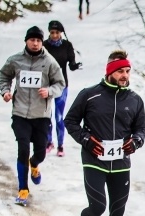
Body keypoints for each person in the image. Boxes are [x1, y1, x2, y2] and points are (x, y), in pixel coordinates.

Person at [65, 50, 145, 216]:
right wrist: (86, 140)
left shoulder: (134, 100)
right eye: (120, 71)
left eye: (127, 71)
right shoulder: (89, 95)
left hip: (121, 163)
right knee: (99, 205)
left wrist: (136, 141)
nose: (125, 75)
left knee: (118, 209)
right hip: (94, 159)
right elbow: (70, 121)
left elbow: (141, 129)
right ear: (110, 72)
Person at [0, 26, 66, 206]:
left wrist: (50, 91)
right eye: (32, 40)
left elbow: (61, 83)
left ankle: (34, 165)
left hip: (41, 115)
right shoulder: (15, 60)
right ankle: (23, 189)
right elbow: (4, 76)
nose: (35, 43)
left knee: (40, 153)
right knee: (22, 148)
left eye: (38, 40)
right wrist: (5, 91)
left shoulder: (50, 62)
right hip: (20, 113)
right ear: (26, 41)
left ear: (41, 42)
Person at [44, 20, 81, 157]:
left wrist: (75, 65)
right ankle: (49, 142)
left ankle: (60, 145)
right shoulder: (44, 45)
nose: (54, 35)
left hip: (61, 85)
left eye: (57, 32)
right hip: (47, 84)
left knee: (59, 117)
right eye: (52, 32)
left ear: (61, 33)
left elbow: (71, 65)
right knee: (47, 115)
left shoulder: (67, 45)